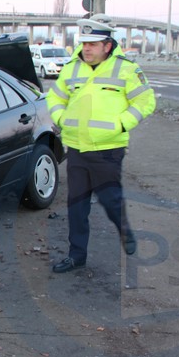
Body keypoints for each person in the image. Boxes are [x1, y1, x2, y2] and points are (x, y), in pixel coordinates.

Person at [44, 14, 156, 273]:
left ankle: (125, 231)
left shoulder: (126, 69)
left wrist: (121, 124)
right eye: (84, 44)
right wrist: (62, 118)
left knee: (110, 199)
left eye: (92, 44)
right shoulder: (72, 68)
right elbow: (55, 97)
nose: (86, 49)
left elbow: (145, 102)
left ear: (107, 45)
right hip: (77, 149)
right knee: (77, 206)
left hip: (108, 150)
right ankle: (76, 255)